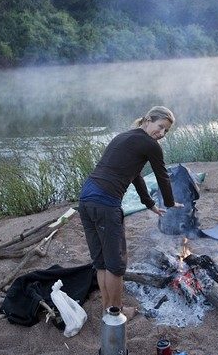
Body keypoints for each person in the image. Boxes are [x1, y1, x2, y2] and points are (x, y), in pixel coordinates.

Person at [78, 106, 183, 319]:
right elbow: (162, 175)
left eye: (166, 131)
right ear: (147, 120)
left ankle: (108, 309)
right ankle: (116, 312)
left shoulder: (124, 137)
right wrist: (170, 202)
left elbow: (136, 176)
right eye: (160, 127)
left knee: (101, 262)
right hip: (106, 203)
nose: (161, 134)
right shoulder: (150, 144)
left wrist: (149, 203)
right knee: (116, 266)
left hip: (86, 200)